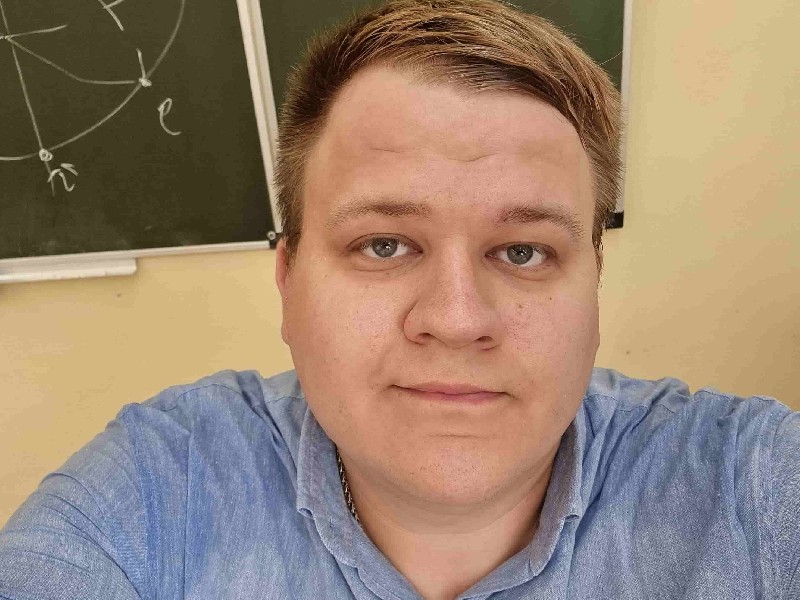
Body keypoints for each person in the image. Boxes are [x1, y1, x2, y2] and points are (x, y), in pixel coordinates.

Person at [1, 0, 798, 598]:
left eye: (524, 252)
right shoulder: (156, 492)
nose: (456, 319)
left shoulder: (753, 488)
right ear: (288, 280)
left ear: (593, 280)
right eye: (384, 245)